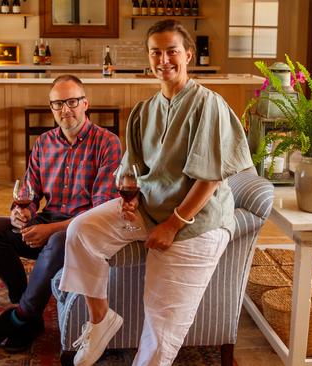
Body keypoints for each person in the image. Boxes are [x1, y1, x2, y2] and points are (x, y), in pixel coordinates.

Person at [58, 20, 253, 366]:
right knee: (80, 232)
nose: (164, 59)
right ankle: (102, 321)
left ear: (188, 55)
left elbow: (209, 180)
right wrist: (129, 203)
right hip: (151, 210)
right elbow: (131, 172)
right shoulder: (144, 111)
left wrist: (172, 226)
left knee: (161, 328)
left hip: (196, 223)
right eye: (156, 52)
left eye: (172, 51)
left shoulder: (208, 105)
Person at [0, 74, 122, 355]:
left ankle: (19, 318)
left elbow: (100, 212)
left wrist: (50, 231)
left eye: (72, 102)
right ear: (51, 109)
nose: (66, 110)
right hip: (46, 222)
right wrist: (21, 213)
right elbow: (30, 191)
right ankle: (25, 309)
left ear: (85, 104)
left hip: (80, 231)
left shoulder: (107, 143)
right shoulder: (43, 143)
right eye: (58, 104)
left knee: (59, 240)